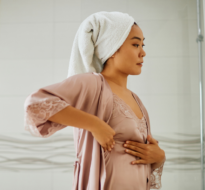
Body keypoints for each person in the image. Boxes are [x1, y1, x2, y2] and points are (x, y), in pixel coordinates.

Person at [24, 11, 165, 190]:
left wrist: (158, 158)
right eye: (136, 44)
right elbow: (35, 105)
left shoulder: (136, 100)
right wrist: (94, 124)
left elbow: (142, 160)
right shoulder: (92, 83)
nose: (143, 53)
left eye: (142, 45)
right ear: (113, 48)